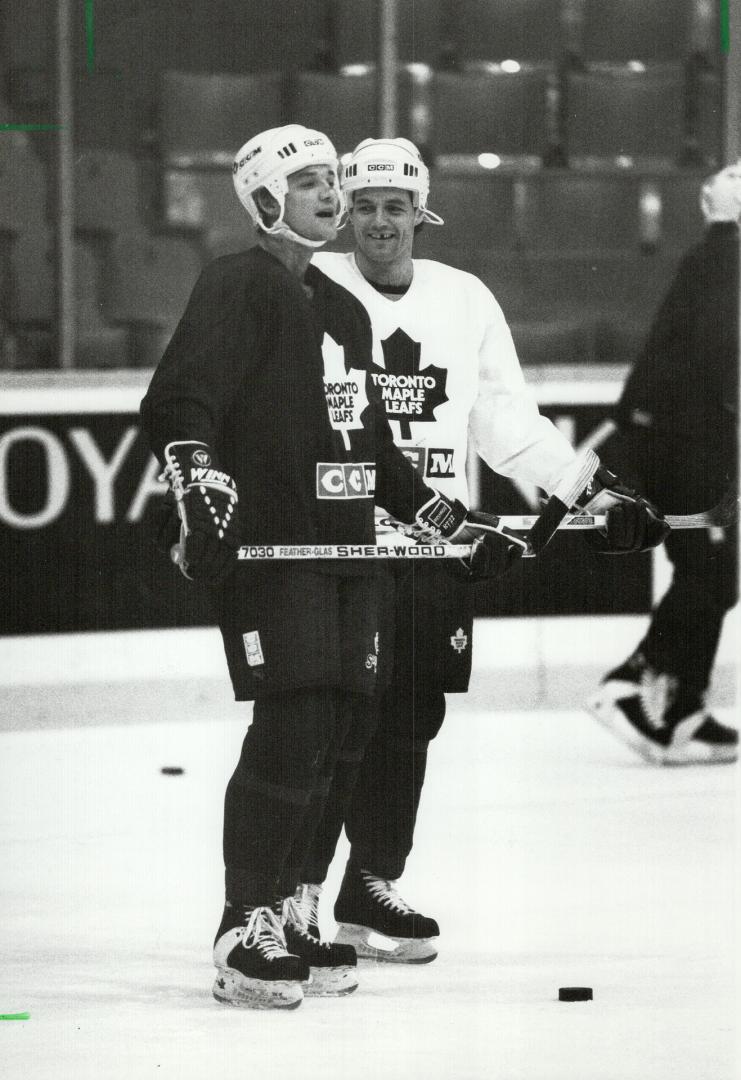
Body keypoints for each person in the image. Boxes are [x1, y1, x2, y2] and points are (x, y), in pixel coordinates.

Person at [139, 124, 531, 1009]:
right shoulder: (236, 285)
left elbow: (373, 449)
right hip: (280, 556)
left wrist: (447, 522)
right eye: (312, 182)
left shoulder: (343, 309)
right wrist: (197, 473)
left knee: (347, 734)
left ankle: (294, 906)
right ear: (266, 198)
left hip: (357, 553)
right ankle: (243, 926)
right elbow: (179, 396)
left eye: (332, 182)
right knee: (294, 729)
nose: (331, 196)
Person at [293, 137, 670, 963]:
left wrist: (590, 489)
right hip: (342, 546)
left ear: (420, 214)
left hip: (437, 547)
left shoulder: (462, 299)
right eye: (363, 206)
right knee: (334, 716)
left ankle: (371, 884)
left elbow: (505, 425)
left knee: (411, 716)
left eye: (395, 207)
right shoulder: (311, 286)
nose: (379, 222)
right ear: (343, 213)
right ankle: (297, 898)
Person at [588, 162, 740, 765]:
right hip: (685, 441)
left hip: (675, 437)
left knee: (712, 570)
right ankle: (630, 682)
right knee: (713, 572)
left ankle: (680, 710)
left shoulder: (712, 257)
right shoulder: (729, 261)